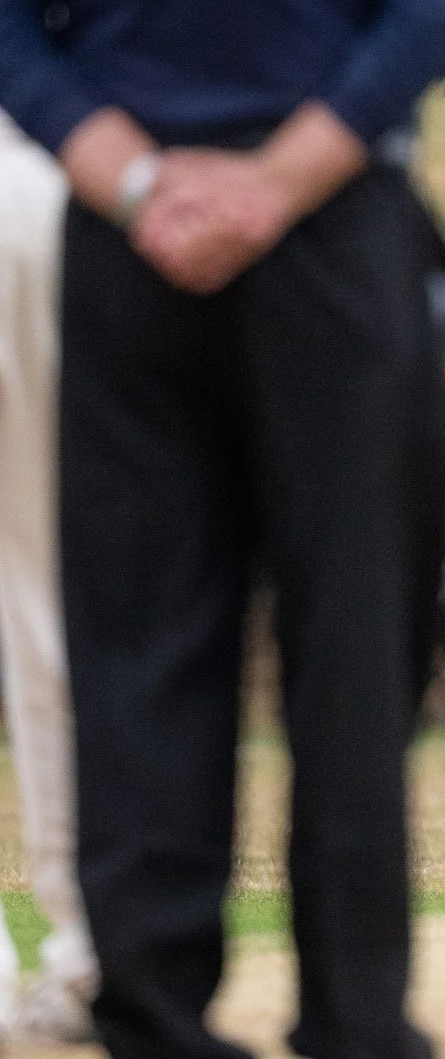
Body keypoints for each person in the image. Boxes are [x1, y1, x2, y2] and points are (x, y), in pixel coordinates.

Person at [0, 0, 445, 1052]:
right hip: (333, 238)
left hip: (126, 237)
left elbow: (9, 26)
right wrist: (272, 187)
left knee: (142, 638)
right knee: (352, 636)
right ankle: (352, 1015)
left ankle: (153, 1006)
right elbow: (432, 8)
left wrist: (148, 185)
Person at [0, 101, 95, 1044]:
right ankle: (82, 949)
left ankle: (79, 949)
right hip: (58, 175)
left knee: (46, 597)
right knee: (49, 598)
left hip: (46, 175)